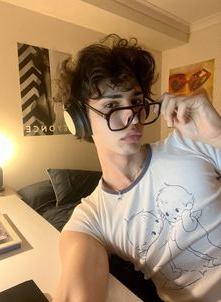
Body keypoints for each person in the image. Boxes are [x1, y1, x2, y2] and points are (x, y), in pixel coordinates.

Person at [53, 34, 221, 302]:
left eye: (136, 101)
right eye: (111, 105)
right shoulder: (92, 217)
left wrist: (217, 136)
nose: (132, 116)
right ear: (80, 120)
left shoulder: (191, 142)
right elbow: (77, 286)